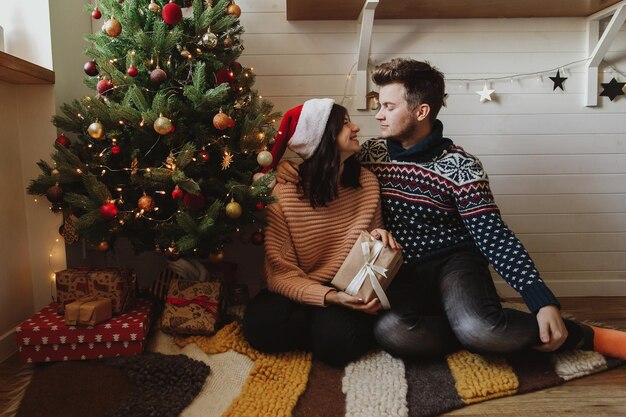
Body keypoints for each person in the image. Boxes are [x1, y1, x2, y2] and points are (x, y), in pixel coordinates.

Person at [274, 58, 626, 361]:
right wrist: (288, 168)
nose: (377, 115)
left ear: (421, 111)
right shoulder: (371, 155)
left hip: (453, 262)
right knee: (394, 332)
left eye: (389, 107)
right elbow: (325, 167)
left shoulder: (461, 166)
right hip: (398, 270)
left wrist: (542, 300)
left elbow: (494, 237)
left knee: (480, 329)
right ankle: (464, 328)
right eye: (378, 104)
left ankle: (584, 336)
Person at [243, 98, 400, 366]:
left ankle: (327, 329)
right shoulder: (284, 192)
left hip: (346, 286)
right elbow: (280, 274)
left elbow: (373, 237)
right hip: (302, 285)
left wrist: (379, 237)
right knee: (260, 327)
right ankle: (325, 324)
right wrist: (327, 298)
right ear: (322, 138)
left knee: (334, 346)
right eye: (345, 124)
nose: (356, 128)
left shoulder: (367, 183)